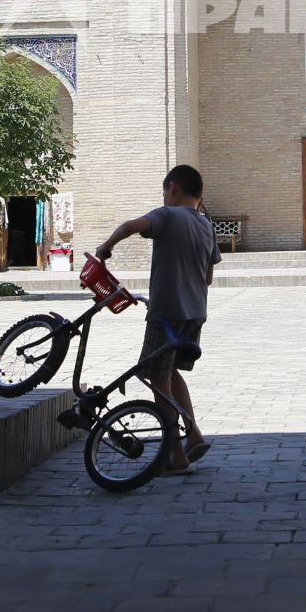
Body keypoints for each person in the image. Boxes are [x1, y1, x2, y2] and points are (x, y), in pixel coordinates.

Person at [93, 164, 219, 475]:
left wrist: (106, 247)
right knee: (171, 371)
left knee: (157, 379)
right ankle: (194, 435)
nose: (164, 196)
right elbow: (209, 277)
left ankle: (175, 453)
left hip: (166, 313)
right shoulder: (206, 226)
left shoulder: (166, 215)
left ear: (173, 188)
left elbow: (130, 225)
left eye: (165, 191)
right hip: (195, 313)